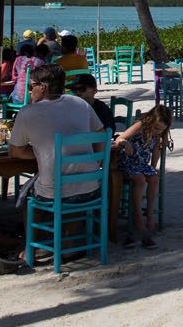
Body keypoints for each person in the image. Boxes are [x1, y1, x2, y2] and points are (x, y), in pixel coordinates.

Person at [9, 64, 106, 203]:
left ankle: (34, 225)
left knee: (25, 197)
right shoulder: (81, 103)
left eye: (31, 87)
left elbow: (15, 151)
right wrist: (96, 162)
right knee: (67, 200)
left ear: (42, 87)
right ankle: (67, 224)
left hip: (55, 191)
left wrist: (46, 152)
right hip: (91, 187)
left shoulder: (27, 112)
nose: (29, 91)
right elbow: (101, 135)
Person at [111, 104, 171, 249]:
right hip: (128, 161)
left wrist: (153, 168)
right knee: (140, 179)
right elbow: (119, 138)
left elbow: (156, 152)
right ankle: (138, 216)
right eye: (156, 128)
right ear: (151, 120)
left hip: (142, 163)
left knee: (154, 178)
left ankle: (149, 213)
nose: (157, 132)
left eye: (161, 130)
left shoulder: (159, 134)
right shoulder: (140, 125)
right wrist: (125, 143)